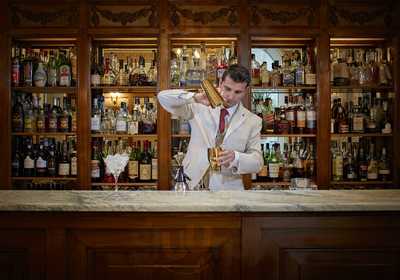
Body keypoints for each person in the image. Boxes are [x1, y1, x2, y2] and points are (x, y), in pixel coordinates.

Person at [158, 64, 263, 190]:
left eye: (238, 92)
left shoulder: (253, 121)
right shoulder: (199, 106)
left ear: (246, 91)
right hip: (191, 186)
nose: (230, 96)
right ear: (220, 82)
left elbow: (257, 163)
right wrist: (194, 98)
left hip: (227, 192)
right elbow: (162, 97)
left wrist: (236, 157)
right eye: (227, 88)